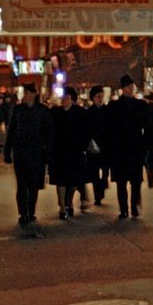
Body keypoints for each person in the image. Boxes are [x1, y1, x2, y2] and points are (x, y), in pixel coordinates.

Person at [3, 83, 51, 225]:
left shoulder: (43, 110)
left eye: (28, 93)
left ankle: (31, 211)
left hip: (37, 153)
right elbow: (11, 131)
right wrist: (7, 151)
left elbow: (48, 133)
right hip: (21, 152)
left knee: (34, 184)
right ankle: (23, 212)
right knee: (22, 184)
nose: (26, 96)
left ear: (34, 94)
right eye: (25, 93)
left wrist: (48, 153)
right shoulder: (18, 110)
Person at [107, 74, 146, 219]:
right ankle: (127, 207)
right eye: (129, 87)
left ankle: (130, 207)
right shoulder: (118, 106)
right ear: (123, 89)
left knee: (131, 181)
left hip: (129, 148)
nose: (132, 89)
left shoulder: (137, 105)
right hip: (124, 149)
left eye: (132, 86)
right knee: (124, 182)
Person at [49, 86, 91, 219]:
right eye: (63, 97)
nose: (64, 100)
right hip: (59, 152)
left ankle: (69, 202)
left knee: (73, 180)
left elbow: (87, 132)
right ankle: (62, 206)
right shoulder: (55, 113)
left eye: (66, 97)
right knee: (60, 180)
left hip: (75, 152)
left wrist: (82, 146)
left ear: (72, 99)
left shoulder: (80, 113)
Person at [86, 85, 109, 205]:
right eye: (98, 96)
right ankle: (97, 196)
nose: (100, 99)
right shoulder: (89, 113)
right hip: (93, 147)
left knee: (105, 171)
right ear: (93, 98)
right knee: (94, 173)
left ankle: (102, 186)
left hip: (105, 146)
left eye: (101, 96)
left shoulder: (108, 111)